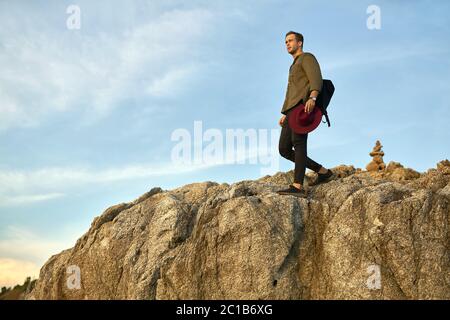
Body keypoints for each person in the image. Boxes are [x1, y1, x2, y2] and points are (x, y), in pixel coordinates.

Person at [277, 31, 333, 197]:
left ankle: (298, 186)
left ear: (299, 43)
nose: (287, 44)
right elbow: (292, 91)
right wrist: (286, 113)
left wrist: (313, 97)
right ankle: (323, 172)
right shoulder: (293, 65)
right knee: (284, 149)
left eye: (291, 41)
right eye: (286, 41)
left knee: (298, 142)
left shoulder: (307, 57)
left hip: (303, 107)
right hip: (291, 110)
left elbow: (316, 77)